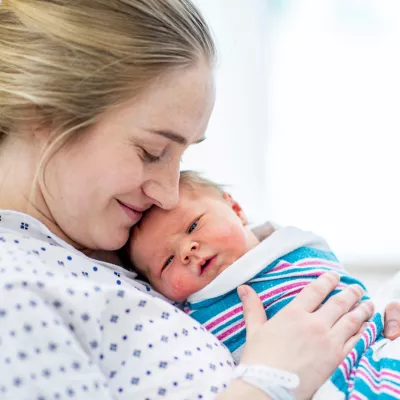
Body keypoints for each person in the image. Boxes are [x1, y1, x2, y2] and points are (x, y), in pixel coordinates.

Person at [0, 1, 399, 399]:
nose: (169, 193)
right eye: (152, 151)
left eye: (183, 155)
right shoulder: (16, 293)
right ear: (46, 113)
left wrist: (375, 330)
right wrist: (269, 383)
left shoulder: (105, 247)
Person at [130, 170, 400, 398]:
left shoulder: (290, 246)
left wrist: (379, 312)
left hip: (376, 345)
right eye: (166, 262)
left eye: (193, 226)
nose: (187, 249)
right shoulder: (191, 321)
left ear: (236, 209)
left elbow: (347, 291)